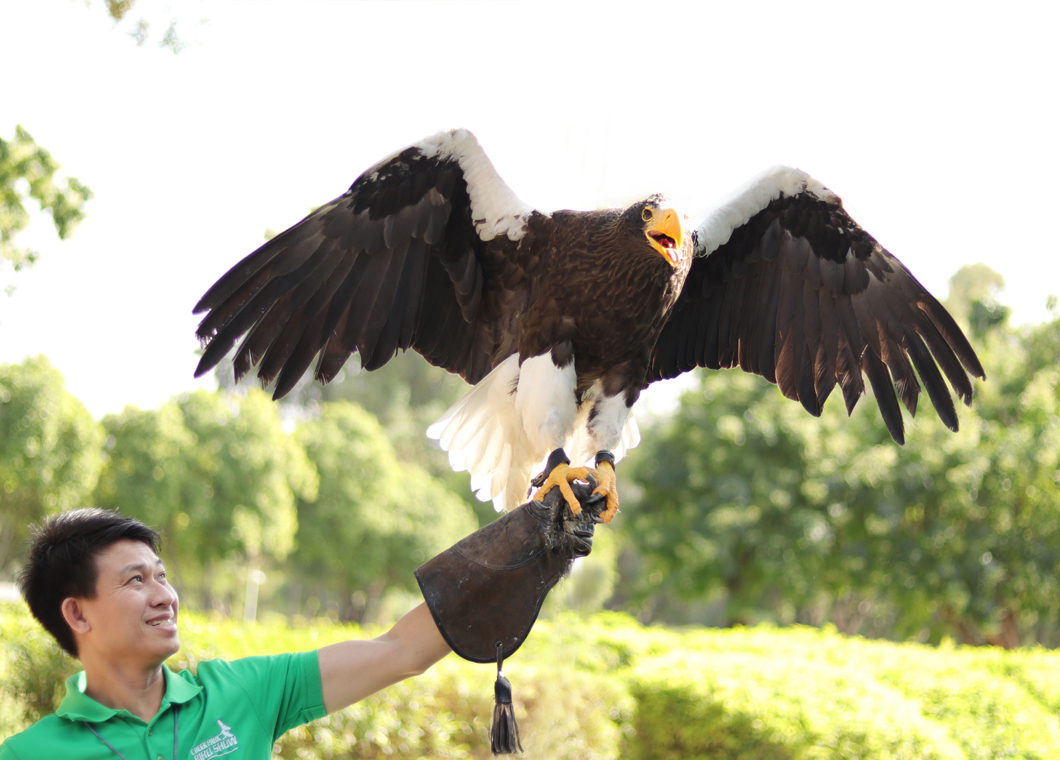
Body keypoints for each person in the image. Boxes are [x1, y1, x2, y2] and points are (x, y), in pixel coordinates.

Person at [0, 507, 452, 760]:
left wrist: (519, 539)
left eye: (161, 576)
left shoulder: (244, 692)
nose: (164, 596)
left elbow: (401, 651)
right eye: (136, 580)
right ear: (77, 615)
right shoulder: (28, 754)